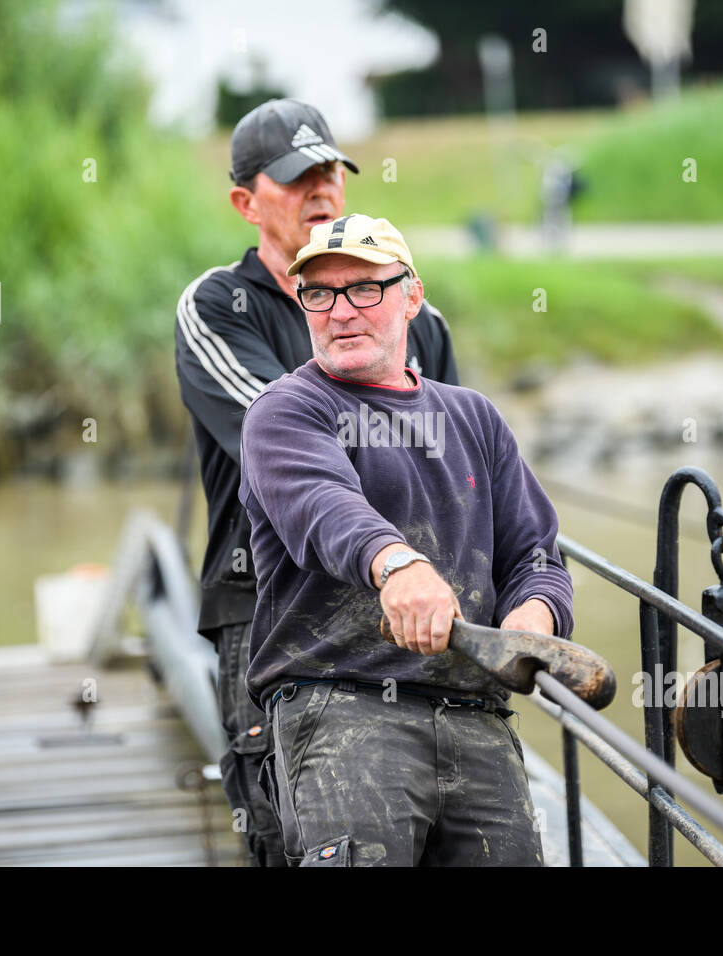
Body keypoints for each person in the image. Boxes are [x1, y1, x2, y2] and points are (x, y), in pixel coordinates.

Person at [239, 214, 574, 866]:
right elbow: (322, 506)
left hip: (478, 717)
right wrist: (398, 565)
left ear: (412, 296)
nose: (340, 311)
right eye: (320, 293)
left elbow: (536, 552)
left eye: (364, 289)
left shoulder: (473, 416)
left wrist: (532, 620)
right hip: (343, 709)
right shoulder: (285, 411)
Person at [174, 100, 459, 867]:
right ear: (246, 203)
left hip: (415, 611)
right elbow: (294, 447)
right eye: (299, 177)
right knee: (290, 832)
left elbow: (462, 474)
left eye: (332, 169)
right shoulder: (216, 308)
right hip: (274, 609)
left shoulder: (418, 319)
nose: (323, 188)